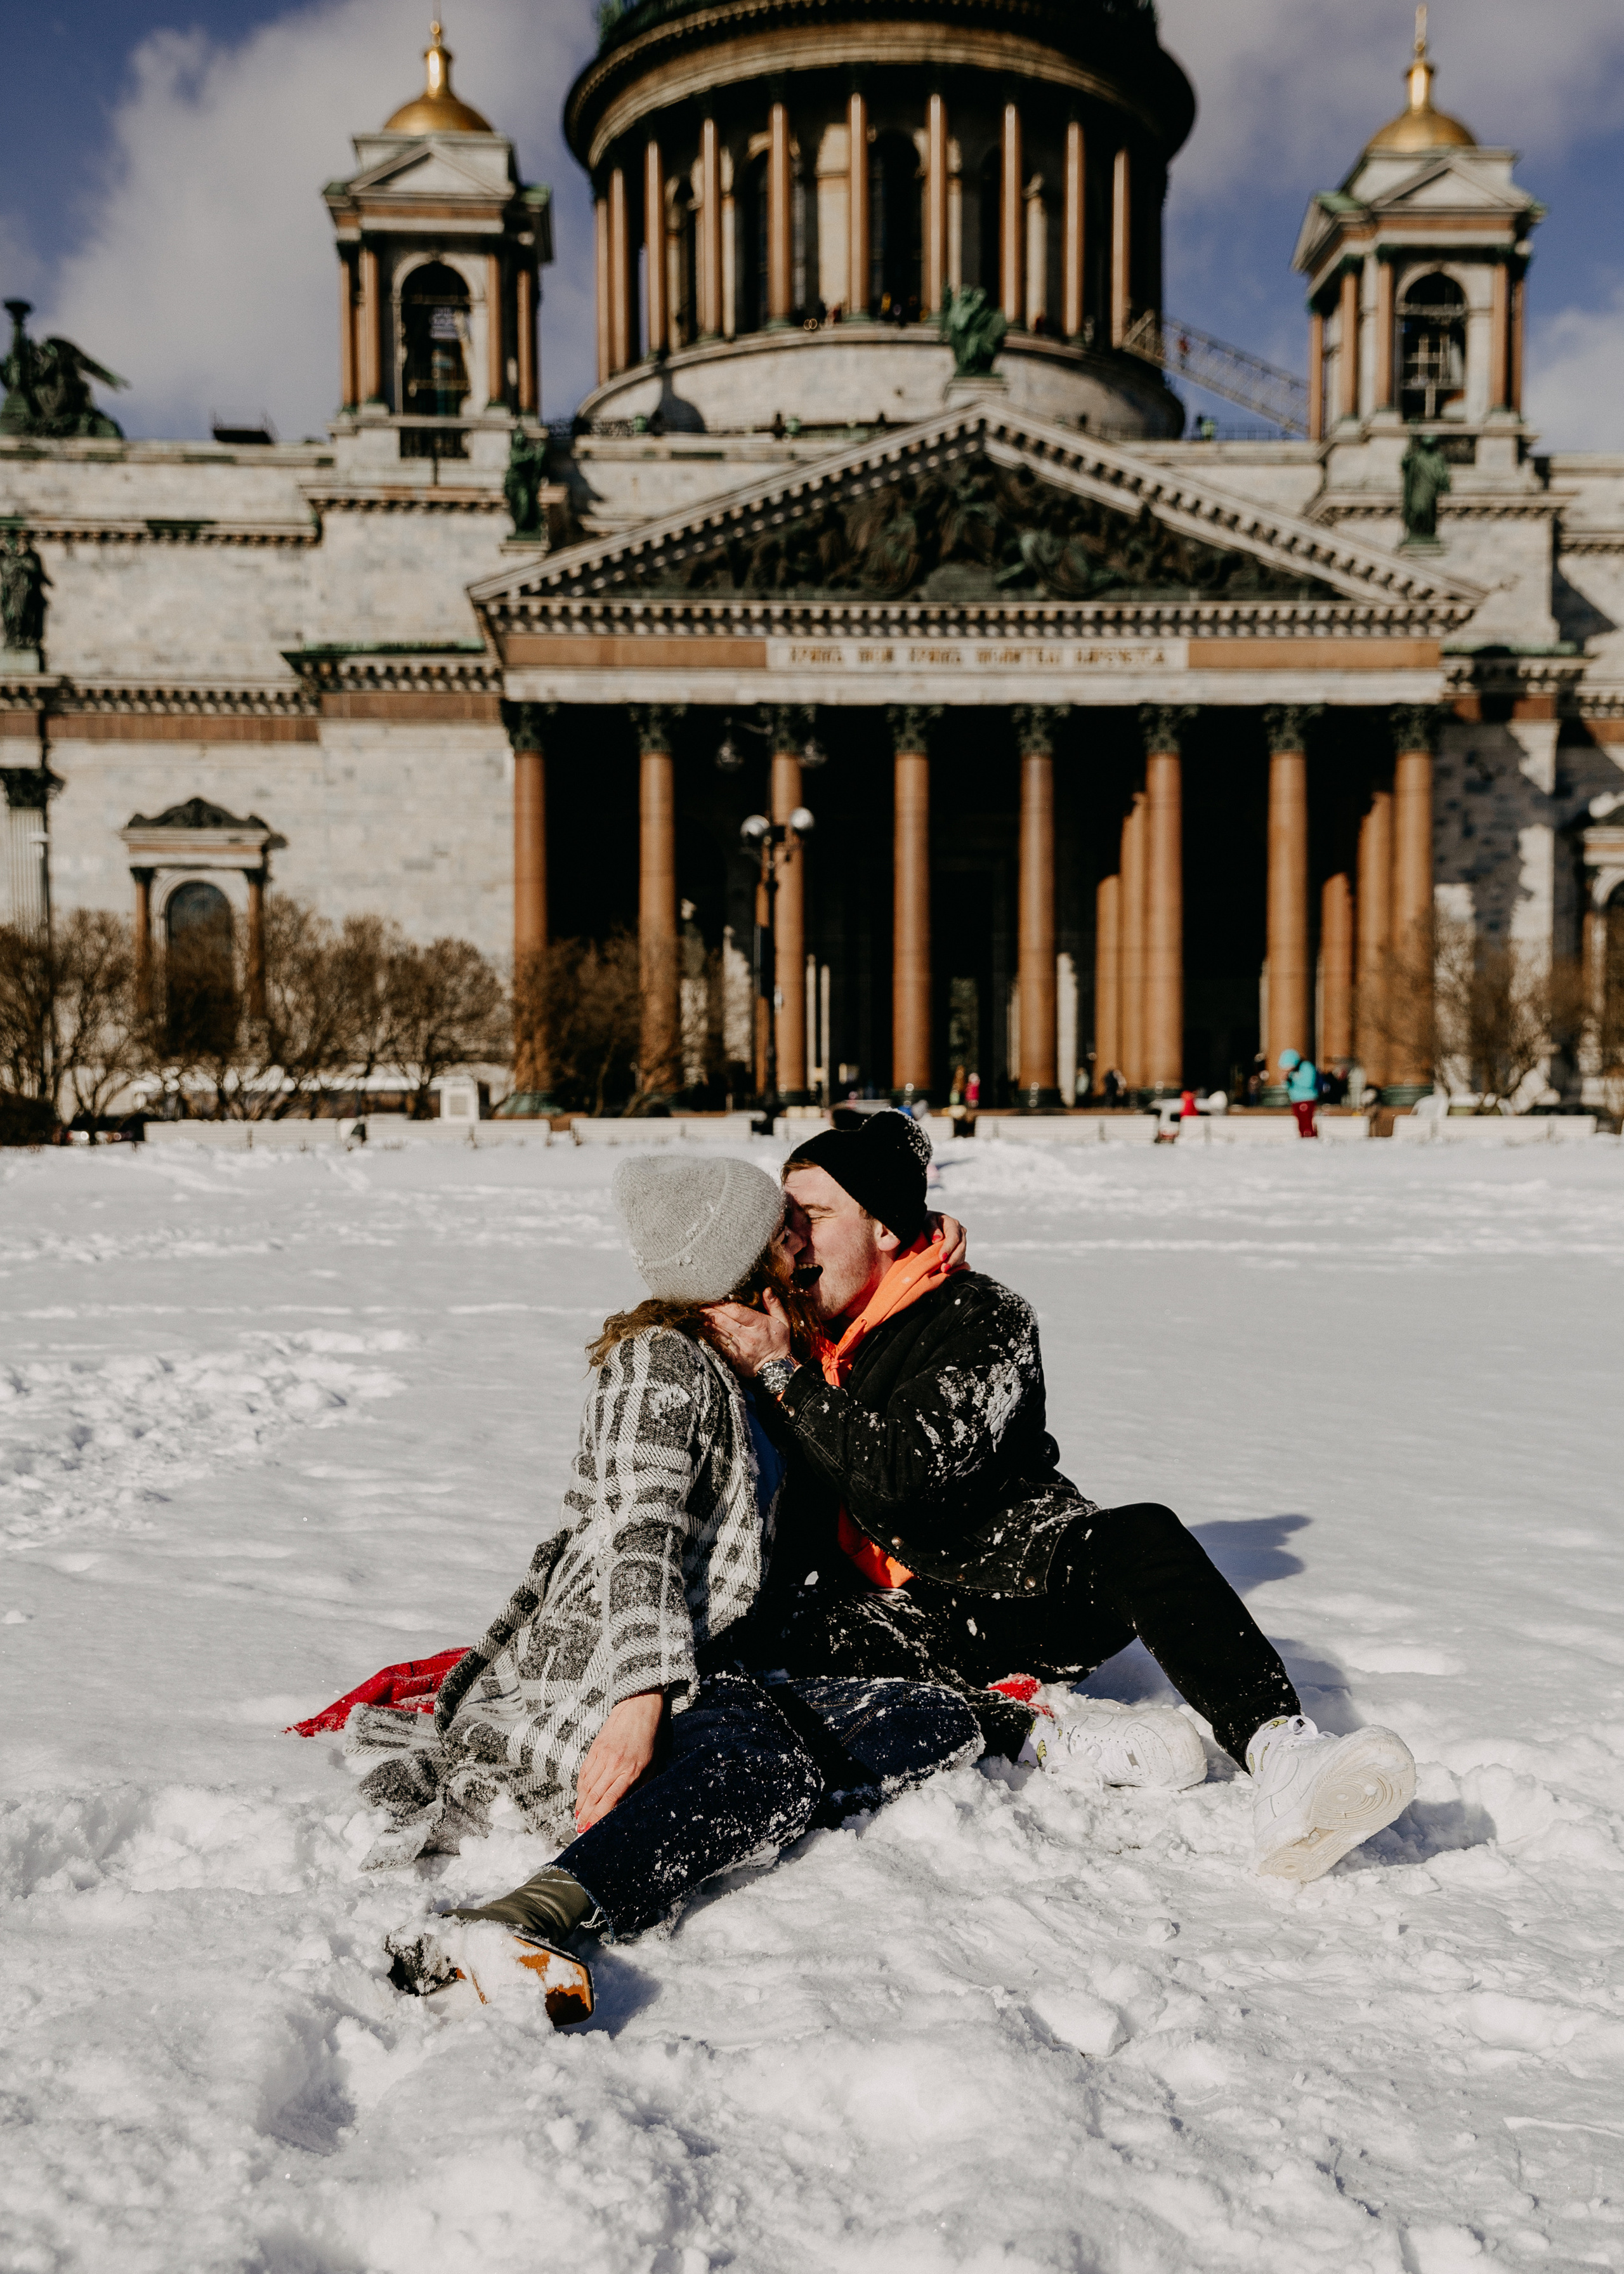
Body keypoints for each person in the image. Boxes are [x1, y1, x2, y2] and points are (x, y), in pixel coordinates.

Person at [705, 1114, 1415, 1885]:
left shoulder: (983, 1318)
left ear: (883, 1227)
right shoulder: (795, 1329)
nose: (792, 1241)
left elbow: (904, 1476)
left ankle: (1285, 1756)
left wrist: (784, 1376)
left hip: (1016, 1586)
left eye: (811, 1217)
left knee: (1142, 1535)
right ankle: (1033, 1730)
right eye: (783, 1221)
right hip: (878, 1618)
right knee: (751, 1644)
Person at [368, 1153, 983, 2021]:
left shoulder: (749, 1363)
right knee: (762, 1766)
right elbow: (637, 1536)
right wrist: (639, 1699)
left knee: (931, 1718)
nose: (803, 1246)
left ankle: (709, 1794)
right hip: (611, 1660)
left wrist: (926, 1247)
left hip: (717, 1667)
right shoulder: (659, 1364)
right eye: (785, 1233)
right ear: (738, 1255)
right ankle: (529, 1914)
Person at [1281, 1048, 1320, 1137]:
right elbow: (1287, 1087)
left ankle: (1309, 1137)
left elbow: (1308, 1083)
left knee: (1306, 1121)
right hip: (1296, 1100)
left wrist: (1292, 1078)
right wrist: (1286, 1080)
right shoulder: (1292, 1073)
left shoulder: (1306, 1067)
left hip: (1307, 1099)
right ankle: (1304, 1137)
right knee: (1301, 1122)